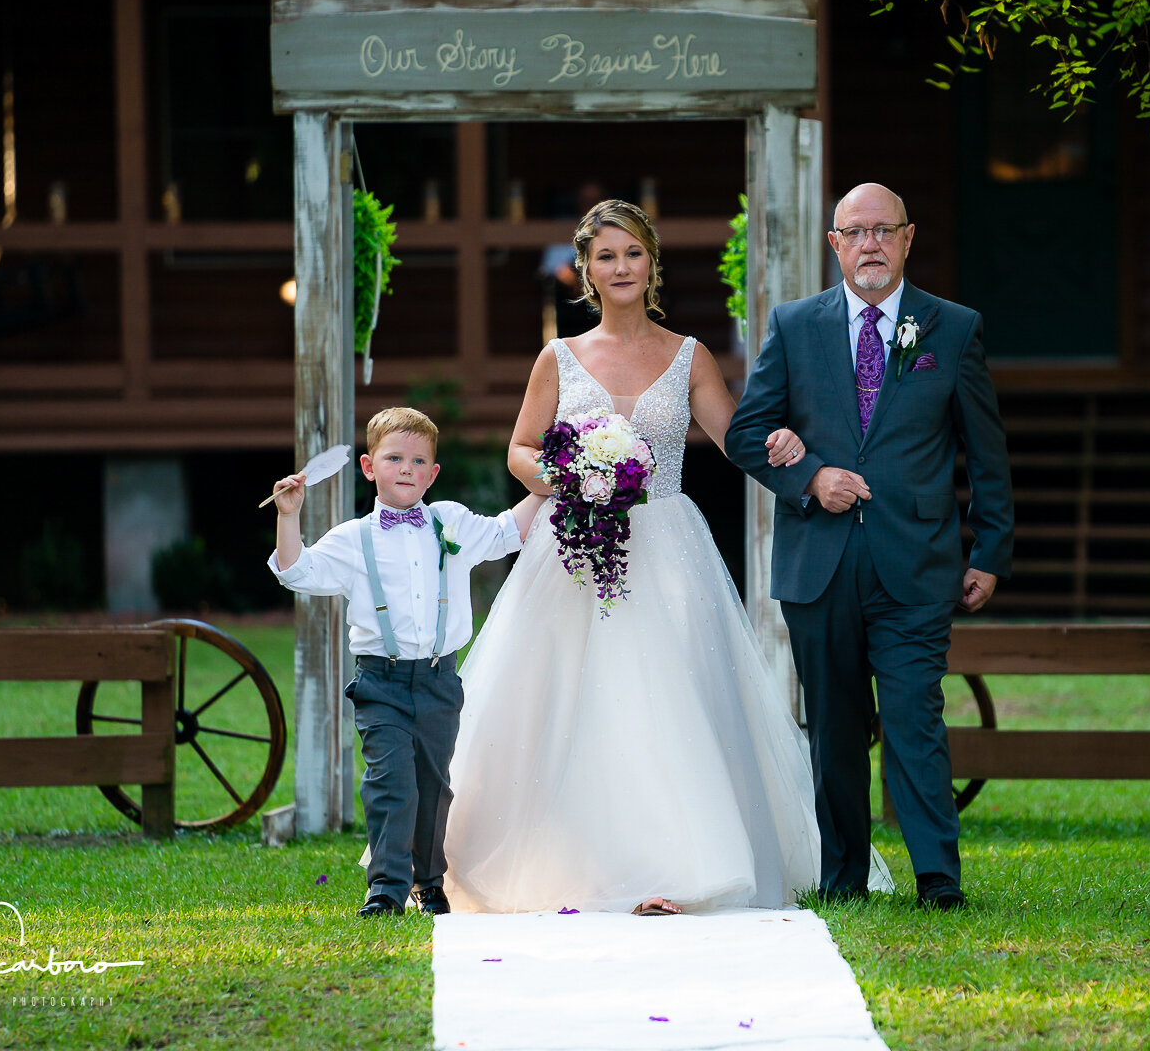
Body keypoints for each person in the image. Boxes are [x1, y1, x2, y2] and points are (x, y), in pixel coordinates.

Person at [441, 199, 828, 915]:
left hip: (667, 545)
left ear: (652, 264)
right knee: (567, 702)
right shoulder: (558, 356)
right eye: (606, 256)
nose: (620, 267)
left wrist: (794, 456)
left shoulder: (689, 356)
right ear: (586, 270)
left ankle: (678, 869)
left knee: (666, 702)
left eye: (633, 254)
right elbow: (520, 451)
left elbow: (738, 438)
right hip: (575, 551)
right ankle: (566, 863)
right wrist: (572, 476)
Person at [726, 182, 1014, 909]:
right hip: (817, 564)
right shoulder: (794, 327)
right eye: (855, 232)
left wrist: (990, 552)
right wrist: (809, 476)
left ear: (908, 239)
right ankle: (843, 875)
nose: (870, 245)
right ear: (834, 244)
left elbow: (987, 454)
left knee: (915, 715)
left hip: (916, 561)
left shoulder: (950, 328)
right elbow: (745, 435)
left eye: (884, 231)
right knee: (834, 727)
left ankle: (939, 880)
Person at [269, 407, 538, 918]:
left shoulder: (450, 522)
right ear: (370, 467)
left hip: (438, 679)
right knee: (391, 782)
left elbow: (510, 531)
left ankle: (429, 881)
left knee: (433, 787)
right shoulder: (353, 538)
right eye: (395, 459)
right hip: (380, 681)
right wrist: (289, 515)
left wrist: (560, 481)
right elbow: (296, 571)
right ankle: (387, 889)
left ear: (433, 473)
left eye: (419, 461)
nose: (407, 469)